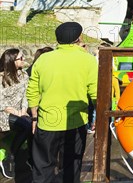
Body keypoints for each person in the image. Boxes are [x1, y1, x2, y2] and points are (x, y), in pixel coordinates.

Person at [26, 22, 98, 183]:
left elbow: (32, 91)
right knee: (71, 168)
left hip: (46, 122)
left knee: (42, 168)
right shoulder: (88, 60)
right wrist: (100, 117)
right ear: (79, 38)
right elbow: (96, 93)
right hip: (76, 122)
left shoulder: (43, 59)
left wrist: (34, 118)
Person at [0, 49, 32, 171]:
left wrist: (24, 109)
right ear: (12, 61)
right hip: (3, 113)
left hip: (19, 112)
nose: (24, 60)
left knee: (33, 125)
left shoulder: (24, 76)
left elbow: (26, 95)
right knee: (26, 126)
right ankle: (10, 157)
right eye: (21, 58)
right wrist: (13, 111)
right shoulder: (1, 77)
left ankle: (30, 158)